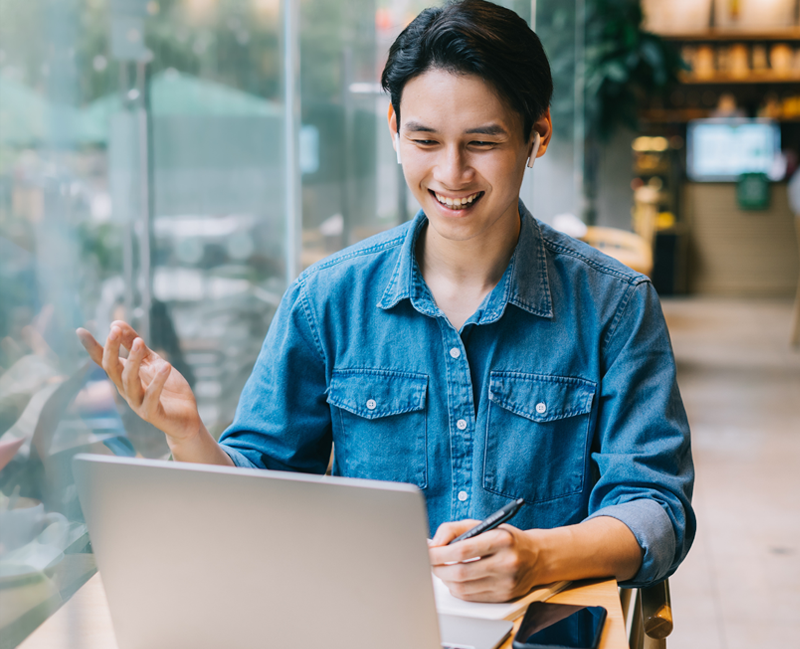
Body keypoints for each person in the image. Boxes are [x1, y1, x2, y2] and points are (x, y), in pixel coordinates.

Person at [77, 0, 694, 603]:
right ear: (395, 130)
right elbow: (258, 494)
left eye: (481, 143)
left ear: (538, 135)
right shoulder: (327, 300)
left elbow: (656, 508)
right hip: (368, 620)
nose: (451, 174)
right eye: (425, 140)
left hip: (545, 626)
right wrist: (188, 434)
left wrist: (537, 557)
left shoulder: (615, 304)